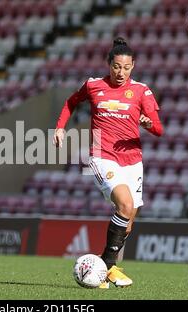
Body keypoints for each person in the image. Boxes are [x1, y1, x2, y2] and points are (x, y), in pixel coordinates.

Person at [53, 37, 163, 288]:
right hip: (103, 156)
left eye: (126, 67)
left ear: (133, 65)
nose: (120, 72)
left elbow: (159, 128)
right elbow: (71, 102)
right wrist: (59, 128)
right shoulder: (93, 85)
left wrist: (148, 124)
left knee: (130, 216)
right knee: (124, 205)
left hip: (133, 161)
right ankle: (110, 266)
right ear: (109, 64)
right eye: (116, 66)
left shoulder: (141, 91)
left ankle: (105, 267)